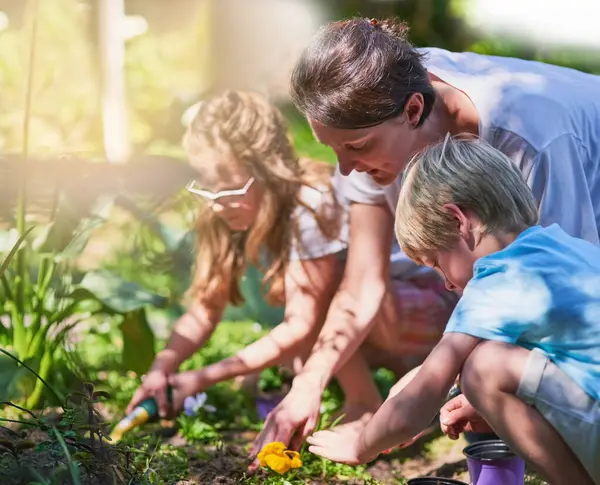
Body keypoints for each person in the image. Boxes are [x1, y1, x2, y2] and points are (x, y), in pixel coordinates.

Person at [251, 15, 600, 459]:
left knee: (495, 368)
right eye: (332, 149)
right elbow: (361, 286)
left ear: (414, 110)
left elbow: (555, 304)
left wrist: (430, 388)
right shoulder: (375, 93)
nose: (344, 169)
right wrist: (309, 381)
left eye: (356, 148)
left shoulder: (532, 140)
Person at [307, 136, 600, 485]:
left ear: (459, 221)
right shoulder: (563, 248)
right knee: (482, 366)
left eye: (436, 262)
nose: (446, 283)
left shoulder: (499, 278)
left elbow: (420, 399)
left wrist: (361, 444)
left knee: (483, 368)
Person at [126, 90, 354, 417]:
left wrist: (203, 377)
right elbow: (206, 306)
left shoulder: (311, 202)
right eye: (206, 186)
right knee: (285, 360)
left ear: (268, 171)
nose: (216, 202)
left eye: (230, 188)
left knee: (309, 333)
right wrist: (163, 366)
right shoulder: (221, 209)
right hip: (338, 334)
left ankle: (365, 404)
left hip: (403, 314)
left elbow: (304, 324)